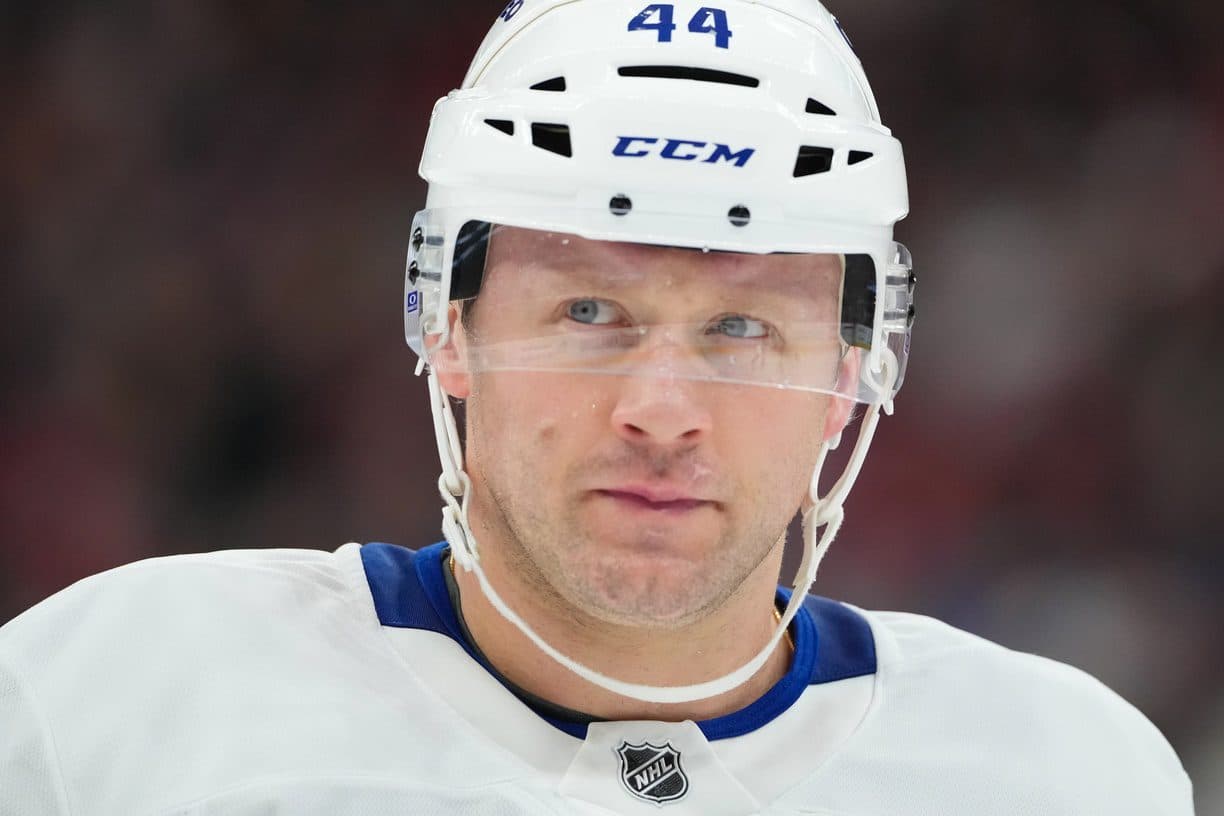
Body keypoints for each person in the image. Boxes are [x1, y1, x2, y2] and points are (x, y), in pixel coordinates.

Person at [0, 1, 1194, 813]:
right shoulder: (109, 699)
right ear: (446, 327)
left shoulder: (1066, 776)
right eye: (588, 314)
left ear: (850, 375)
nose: (663, 410)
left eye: (742, 328)